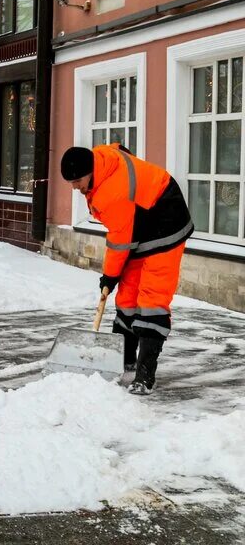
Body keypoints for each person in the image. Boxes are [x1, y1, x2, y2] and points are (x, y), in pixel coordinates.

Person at [60, 143, 193, 395]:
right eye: (71, 182)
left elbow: (120, 242)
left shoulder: (113, 193)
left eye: (77, 180)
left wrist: (110, 275)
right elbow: (121, 148)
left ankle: (145, 376)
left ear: (90, 172)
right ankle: (124, 359)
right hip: (141, 222)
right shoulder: (101, 161)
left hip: (167, 223)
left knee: (152, 299)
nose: (74, 187)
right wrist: (114, 278)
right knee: (127, 296)